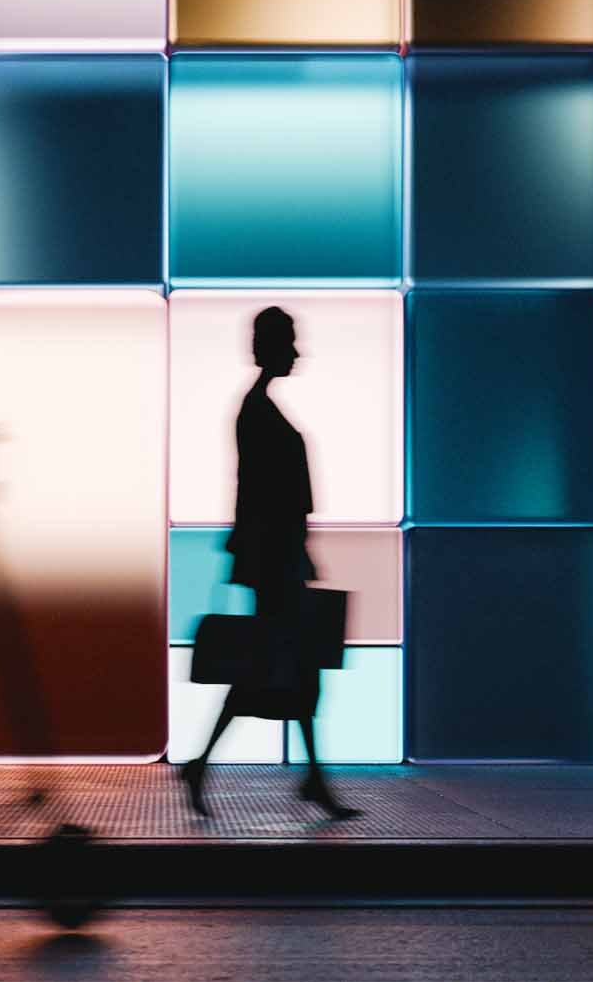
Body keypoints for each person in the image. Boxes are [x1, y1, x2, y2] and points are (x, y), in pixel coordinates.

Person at [180, 307, 360, 822]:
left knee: (284, 667)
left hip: (276, 558)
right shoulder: (258, 411)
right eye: (291, 342)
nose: (297, 352)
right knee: (284, 666)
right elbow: (260, 494)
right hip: (276, 560)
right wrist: (288, 552)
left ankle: (306, 778)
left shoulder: (257, 408)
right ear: (274, 347)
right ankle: (307, 780)